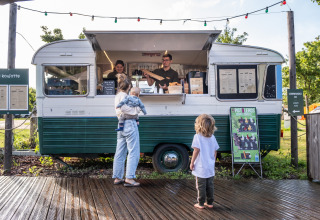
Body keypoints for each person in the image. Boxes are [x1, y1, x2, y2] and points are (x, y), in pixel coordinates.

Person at [113, 78, 141, 187]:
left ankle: (118, 177)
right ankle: (129, 178)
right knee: (133, 151)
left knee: (120, 152)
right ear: (129, 87)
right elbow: (125, 108)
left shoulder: (117, 96)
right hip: (129, 123)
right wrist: (135, 111)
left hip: (120, 123)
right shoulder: (125, 96)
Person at [189, 114, 220, 209]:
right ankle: (210, 202)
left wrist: (192, 162)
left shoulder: (197, 137)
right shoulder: (212, 137)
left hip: (201, 166)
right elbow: (215, 151)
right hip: (210, 166)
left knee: (201, 185)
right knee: (210, 185)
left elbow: (196, 150)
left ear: (199, 125)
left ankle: (201, 203)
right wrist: (213, 162)